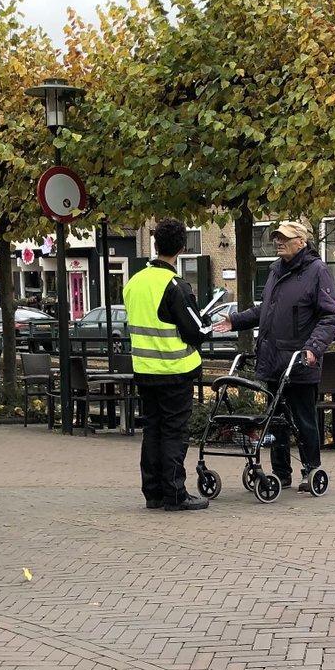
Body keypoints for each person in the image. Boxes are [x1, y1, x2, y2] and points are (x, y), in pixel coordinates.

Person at [213, 219, 335, 492]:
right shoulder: (275, 271)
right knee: (276, 420)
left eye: (285, 238)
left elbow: (330, 316)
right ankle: (281, 473)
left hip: (300, 361)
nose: (278, 242)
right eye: (277, 238)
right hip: (273, 360)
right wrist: (235, 321)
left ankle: (311, 469)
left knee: (303, 419)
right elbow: (264, 311)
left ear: (301, 242)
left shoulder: (317, 271)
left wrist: (313, 348)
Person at [123, 218, 211, 512]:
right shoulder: (176, 286)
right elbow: (196, 331)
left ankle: (153, 493)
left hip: (144, 371)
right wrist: (208, 324)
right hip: (175, 371)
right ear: (182, 248)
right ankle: (175, 493)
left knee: (152, 431)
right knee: (174, 433)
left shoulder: (134, 282)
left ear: (155, 244)